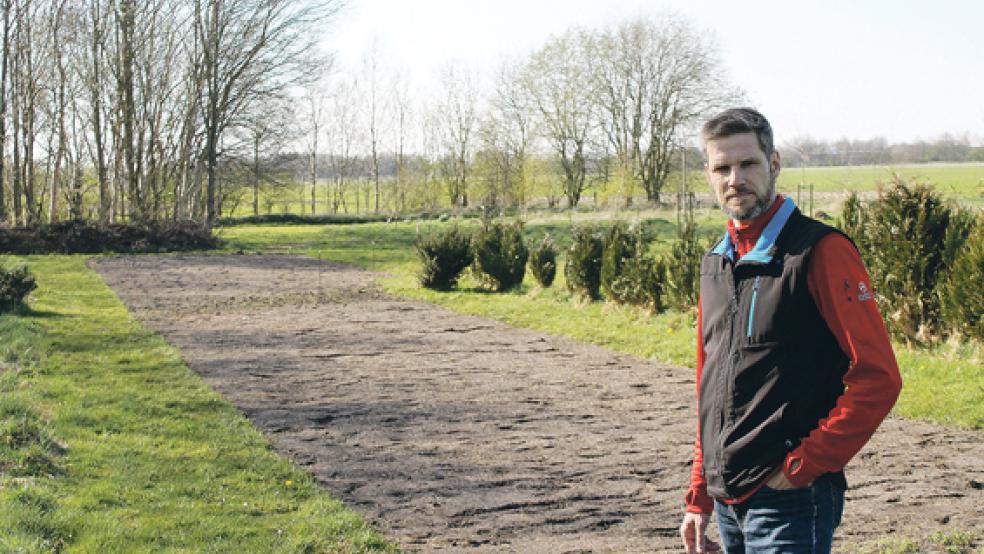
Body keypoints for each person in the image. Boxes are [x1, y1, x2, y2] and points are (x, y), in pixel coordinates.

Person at [679, 107, 902, 554]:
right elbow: (710, 389)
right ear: (707, 173)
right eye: (722, 168)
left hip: (790, 500)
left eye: (748, 164)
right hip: (728, 501)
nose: (734, 179)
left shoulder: (820, 251)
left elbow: (878, 377)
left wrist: (806, 464)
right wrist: (700, 493)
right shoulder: (715, 263)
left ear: (774, 164)